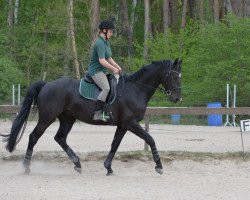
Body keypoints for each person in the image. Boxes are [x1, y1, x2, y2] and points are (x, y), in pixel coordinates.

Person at [88, 20, 122, 121]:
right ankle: (97, 113)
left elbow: (109, 58)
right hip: (96, 71)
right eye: (110, 32)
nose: (111, 34)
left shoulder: (106, 42)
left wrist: (117, 66)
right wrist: (113, 69)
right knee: (106, 88)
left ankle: (107, 110)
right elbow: (102, 61)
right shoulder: (99, 43)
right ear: (104, 30)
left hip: (103, 71)